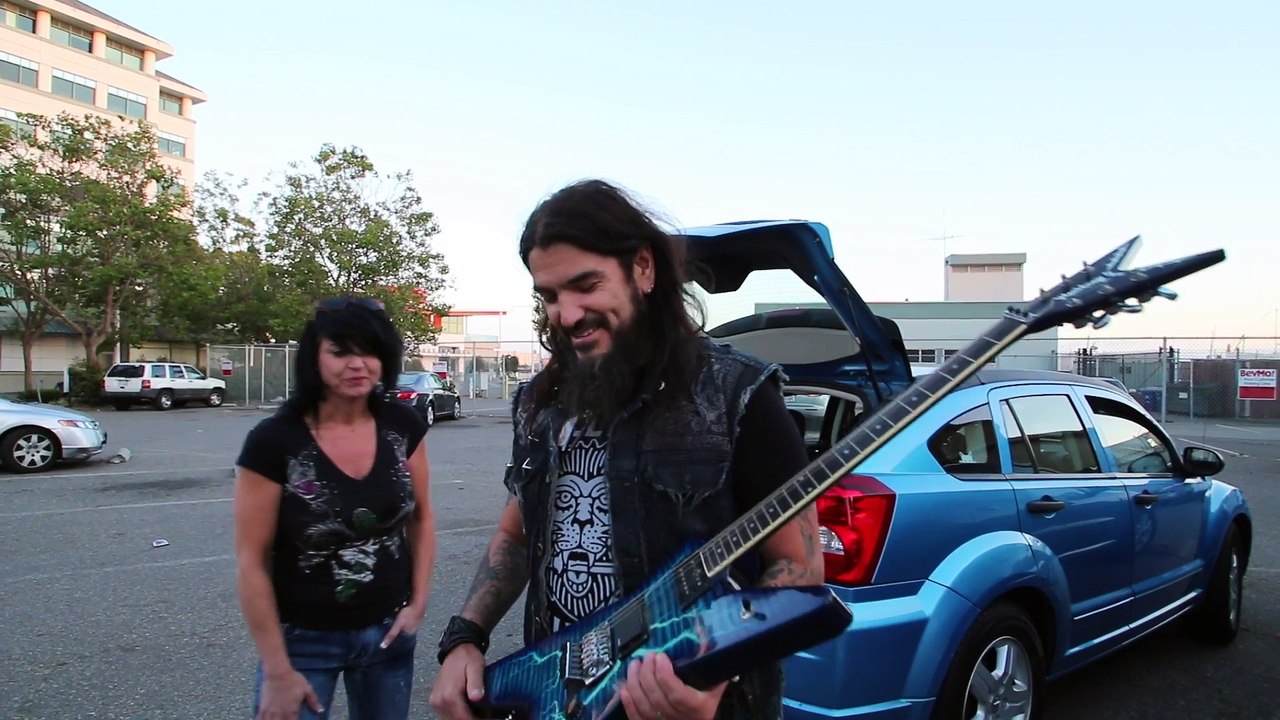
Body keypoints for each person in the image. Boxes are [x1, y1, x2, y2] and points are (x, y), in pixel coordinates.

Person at [429, 180, 824, 720]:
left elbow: (799, 567)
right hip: (561, 700)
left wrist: (708, 667)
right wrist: (465, 637)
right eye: (549, 296)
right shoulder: (538, 405)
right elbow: (515, 537)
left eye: (585, 285)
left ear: (643, 268)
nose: (566, 315)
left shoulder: (738, 397)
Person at [234, 297, 436, 720]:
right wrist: (276, 669)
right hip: (303, 643)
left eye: (369, 350)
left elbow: (421, 518)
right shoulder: (274, 442)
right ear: (315, 357)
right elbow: (251, 559)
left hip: (388, 634)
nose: (357, 363)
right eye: (340, 351)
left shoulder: (402, 426)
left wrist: (417, 603)